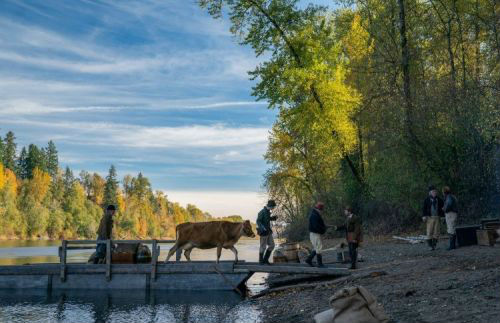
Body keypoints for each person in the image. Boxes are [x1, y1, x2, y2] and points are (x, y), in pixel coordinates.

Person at [305, 202, 327, 268]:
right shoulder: (314, 215)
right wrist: (323, 229)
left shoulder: (315, 214)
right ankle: (320, 264)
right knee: (319, 248)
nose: (322, 212)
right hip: (315, 233)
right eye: (321, 210)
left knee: (316, 248)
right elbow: (316, 226)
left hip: (315, 233)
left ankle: (308, 260)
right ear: (319, 209)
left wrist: (324, 227)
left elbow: (318, 225)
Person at [422, 185, 444, 250]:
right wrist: (424, 216)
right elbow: (424, 209)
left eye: (435, 191)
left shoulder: (439, 199)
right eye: (433, 191)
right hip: (429, 217)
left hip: (437, 217)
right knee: (429, 231)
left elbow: (442, 209)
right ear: (430, 192)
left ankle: (434, 245)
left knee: (436, 232)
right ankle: (430, 245)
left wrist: (443, 216)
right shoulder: (426, 200)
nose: (434, 193)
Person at [256, 200, 277, 265]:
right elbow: (258, 221)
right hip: (263, 232)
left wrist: (273, 218)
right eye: (273, 207)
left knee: (272, 245)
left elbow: (267, 219)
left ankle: (265, 260)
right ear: (270, 206)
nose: (273, 208)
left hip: (268, 231)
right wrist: (263, 228)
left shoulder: (268, 211)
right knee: (263, 247)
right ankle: (260, 261)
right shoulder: (261, 212)